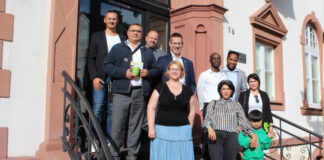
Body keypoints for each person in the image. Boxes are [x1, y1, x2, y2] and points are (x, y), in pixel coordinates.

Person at [104, 23, 159, 160]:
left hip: (139, 92)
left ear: (142, 35)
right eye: (133, 31)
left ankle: (132, 156)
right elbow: (107, 65)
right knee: (117, 125)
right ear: (127, 33)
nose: (136, 33)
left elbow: (156, 70)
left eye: (139, 31)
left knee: (135, 127)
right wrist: (124, 73)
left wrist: (148, 72)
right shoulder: (118, 48)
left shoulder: (147, 52)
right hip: (121, 92)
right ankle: (115, 155)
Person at [87, 10, 125, 143]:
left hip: (116, 80)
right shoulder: (97, 36)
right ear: (105, 20)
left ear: (117, 21)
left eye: (114, 19)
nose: (111, 21)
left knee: (112, 111)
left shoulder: (122, 39)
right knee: (97, 109)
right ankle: (94, 141)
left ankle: (109, 142)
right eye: (109, 18)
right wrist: (94, 77)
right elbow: (91, 58)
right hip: (100, 77)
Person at [147, 61, 195, 160]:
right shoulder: (160, 87)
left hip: (182, 133)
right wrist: (151, 128)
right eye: (172, 69)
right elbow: (151, 107)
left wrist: (189, 128)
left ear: (181, 72)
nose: (174, 72)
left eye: (177, 69)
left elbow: (192, 111)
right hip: (161, 132)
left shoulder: (187, 90)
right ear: (168, 71)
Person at [203, 80, 257, 160]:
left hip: (232, 137)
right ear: (220, 91)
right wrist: (209, 128)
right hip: (215, 136)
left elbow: (243, 120)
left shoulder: (236, 105)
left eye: (228, 89)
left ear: (232, 91)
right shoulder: (213, 103)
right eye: (223, 89)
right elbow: (207, 120)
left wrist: (252, 135)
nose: (226, 91)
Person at [197, 52, 227, 160]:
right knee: (207, 133)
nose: (216, 60)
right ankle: (206, 156)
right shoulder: (204, 75)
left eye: (218, 58)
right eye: (214, 58)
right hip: (209, 106)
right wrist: (202, 107)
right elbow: (199, 91)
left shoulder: (224, 75)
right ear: (210, 60)